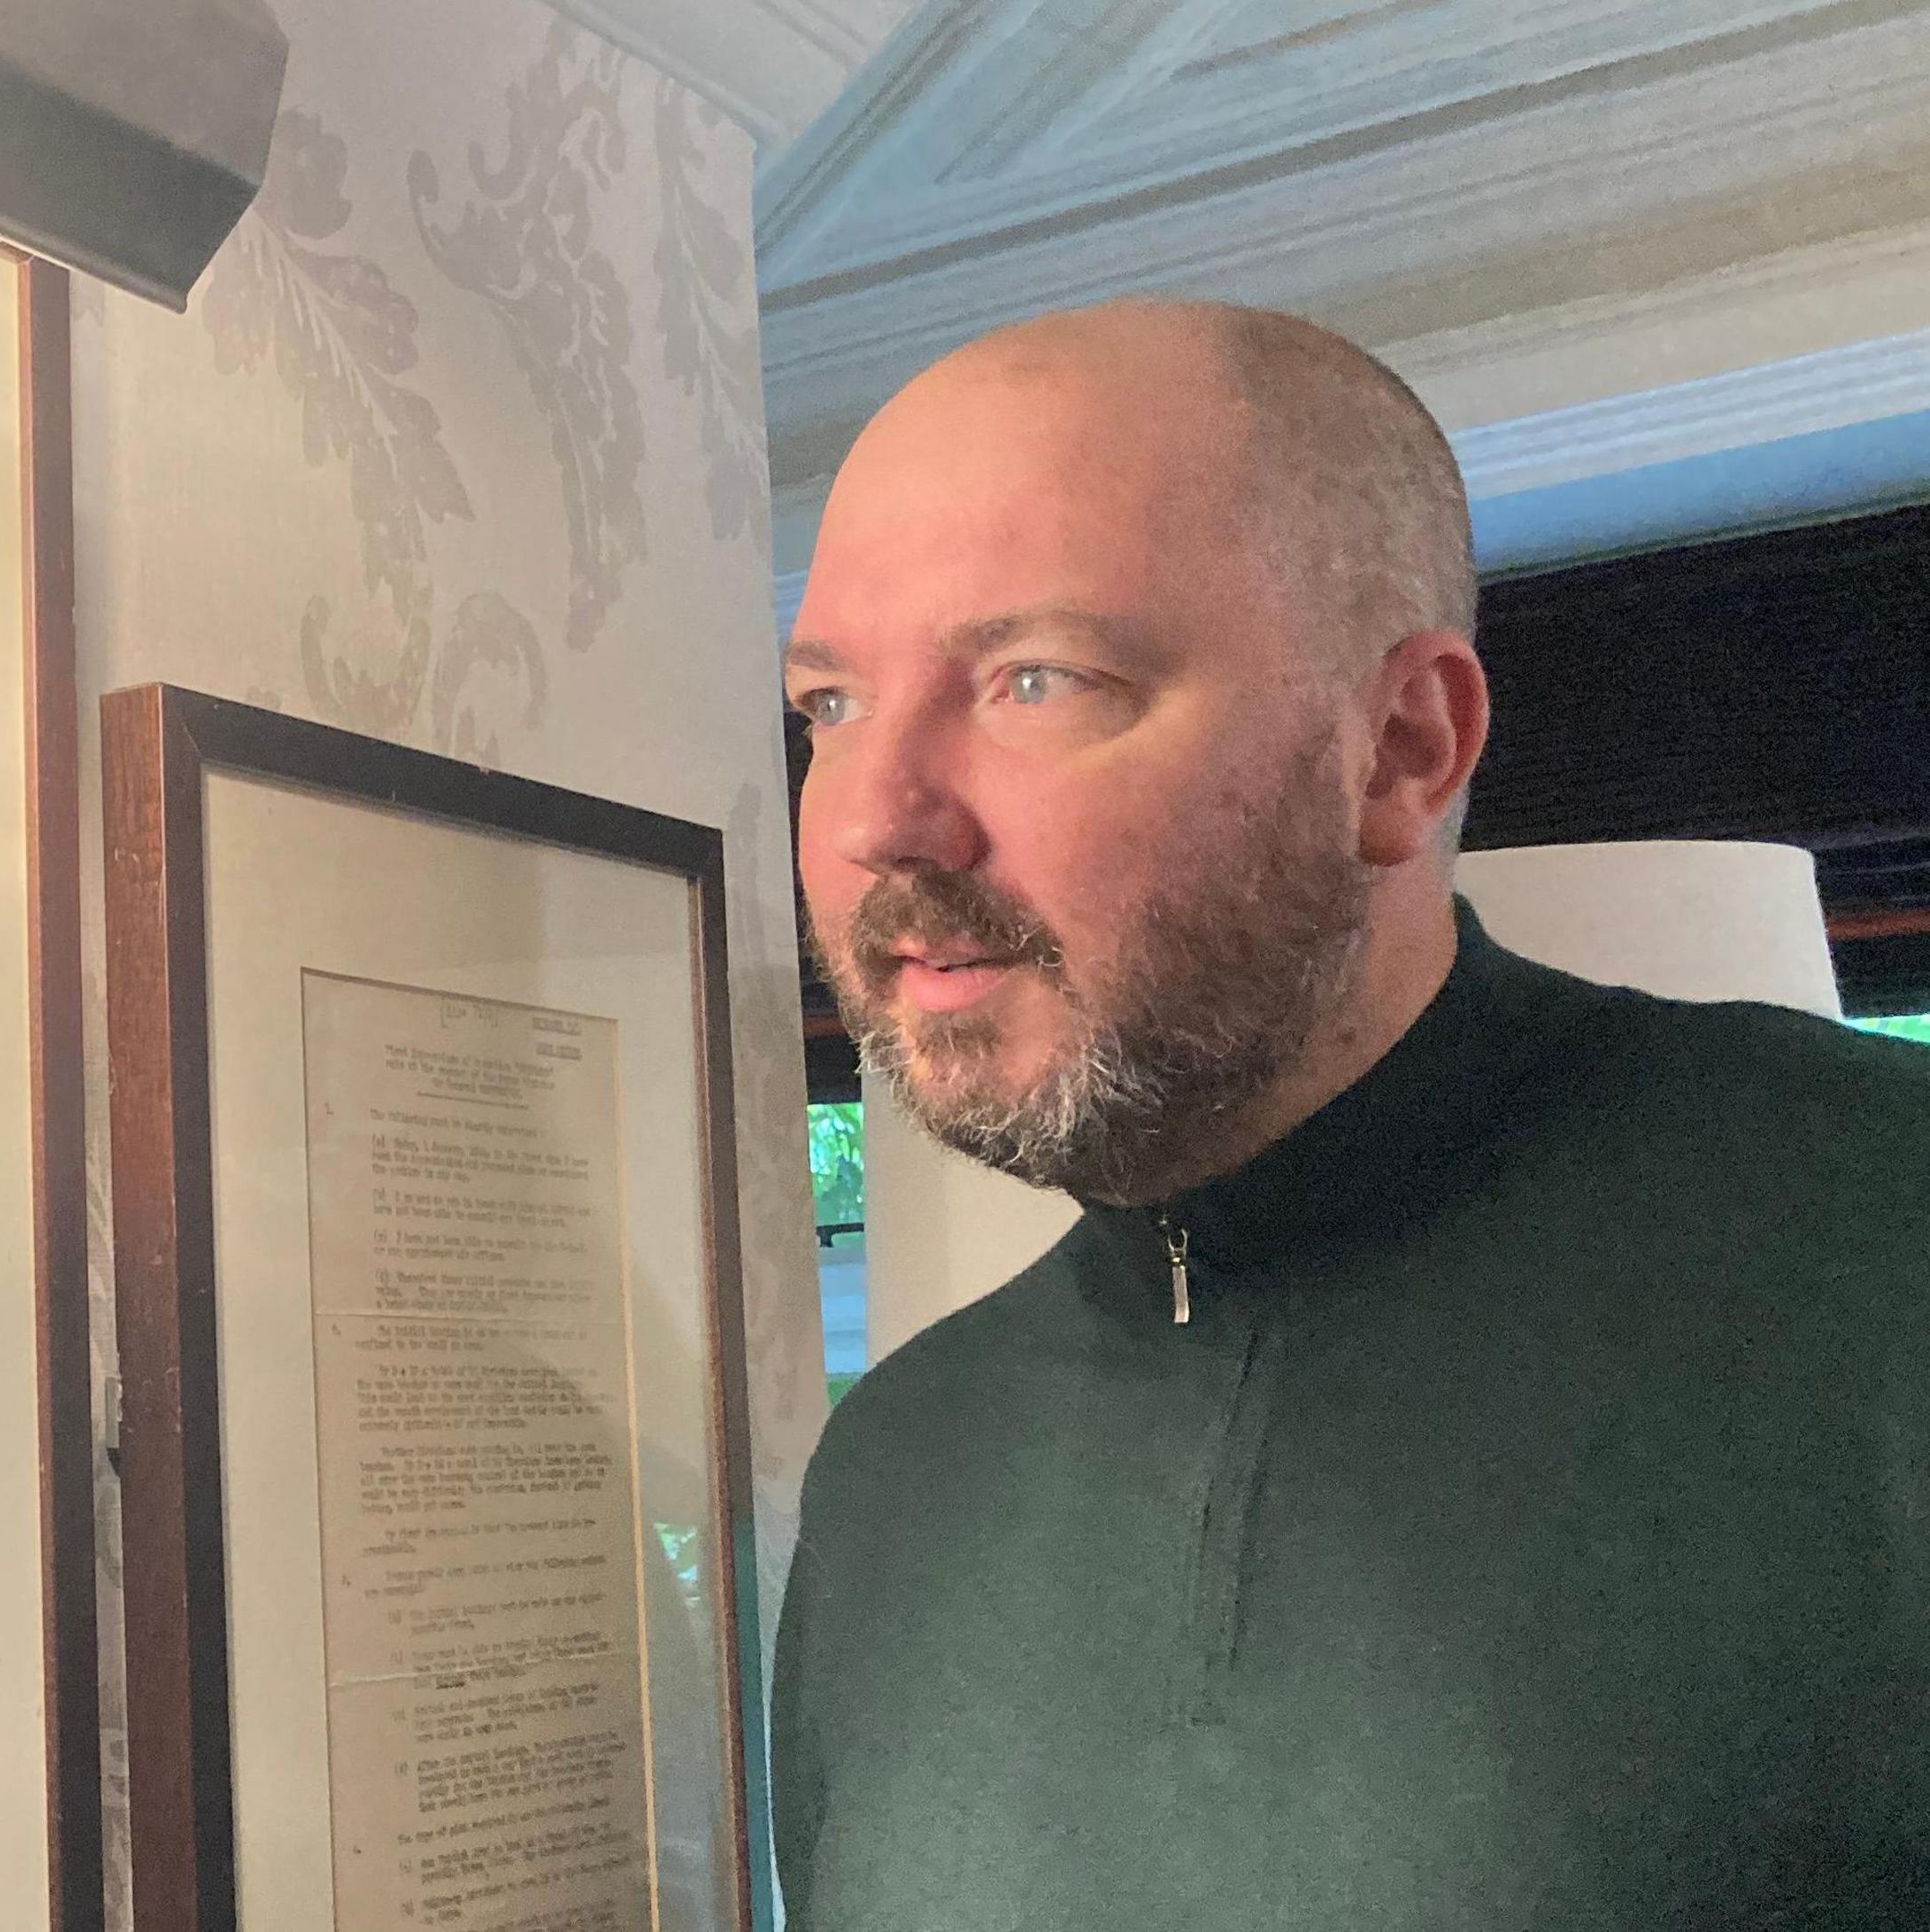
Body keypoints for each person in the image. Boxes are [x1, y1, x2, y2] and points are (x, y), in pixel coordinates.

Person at [771, 298, 1930, 1928]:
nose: (879, 817)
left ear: (1401, 747)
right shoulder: (901, 1461)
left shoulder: (1888, 1249)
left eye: (1036, 680)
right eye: (827, 706)